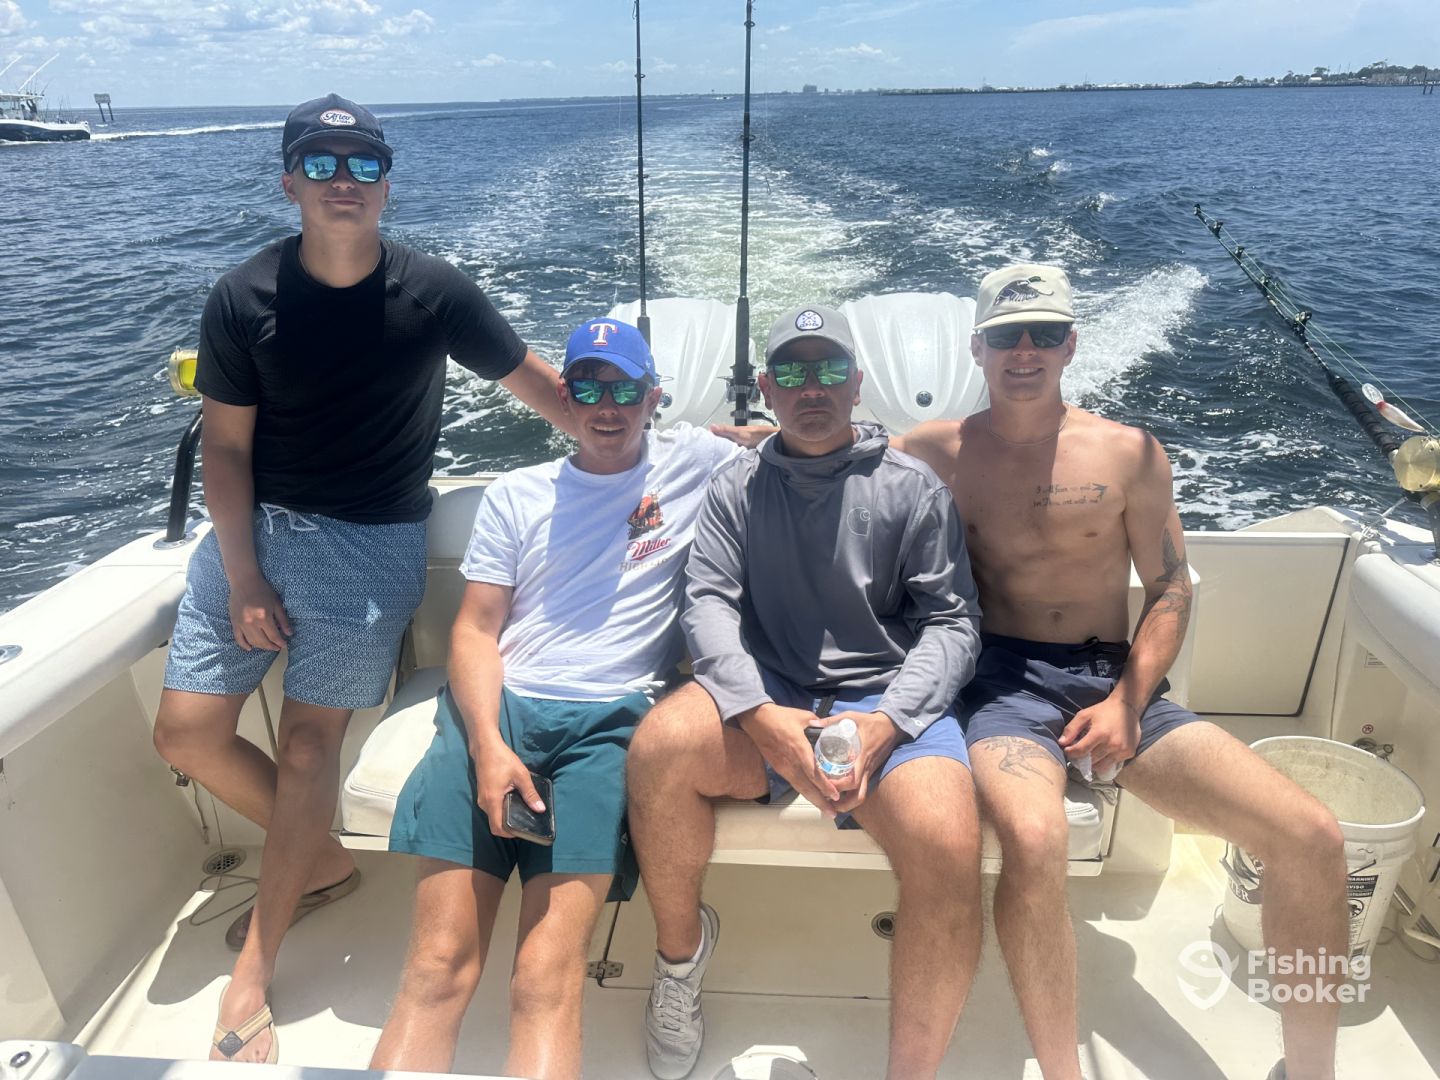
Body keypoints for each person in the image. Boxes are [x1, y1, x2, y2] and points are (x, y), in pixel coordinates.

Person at [150, 94, 578, 1065]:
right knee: (185, 733)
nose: (344, 178)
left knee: (309, 749)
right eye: (321, 161)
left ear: (387, 183)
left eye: (364, 162)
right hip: (252, 534)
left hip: (370, 542)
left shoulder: (434, 293)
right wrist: (246, 574)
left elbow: (546, 389)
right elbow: (225, 449)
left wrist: (667, 445)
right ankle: (321, 861)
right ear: (289, 181)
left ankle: (254, 971)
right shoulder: (243, 297)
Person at [898, 263, 1348, 1080]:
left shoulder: (1130, 452)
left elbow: (1171, 586)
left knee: (1312, 837)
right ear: (977, 349)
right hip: (998, 684)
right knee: (1035, 840)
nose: (1024, 350)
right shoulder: (937, 449)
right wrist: (733, 438)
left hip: (1113, 678)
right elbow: (823, 449)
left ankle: (1313, 1070)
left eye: (1043, 334)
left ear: (1070, 346)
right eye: (1005, 336)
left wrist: (1129, 703)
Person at [369, 318, 739, 1078]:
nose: (608, 405)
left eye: (626, 389)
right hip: (494, 714)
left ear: (654, 398)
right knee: (437, 968)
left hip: (607, 727)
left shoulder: (697, 461)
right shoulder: (516, 494)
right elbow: (475, 630)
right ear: (563, 398)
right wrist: (487, 746)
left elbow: (800, 439)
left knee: (543, 978)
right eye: (588, 388)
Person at [627, 305, 985, 1080]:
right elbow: (707, 604)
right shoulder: (734, 486)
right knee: (658, 750)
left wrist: (888, 724)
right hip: (767, 686)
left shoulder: (914, 489)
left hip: (886, 694)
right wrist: (758, 717)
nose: (811, 387)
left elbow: (953, 623)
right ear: (766, 389)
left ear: (857, 384)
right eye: (792, 371)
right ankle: (681, 961)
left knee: (951, 846)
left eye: (829, 370)